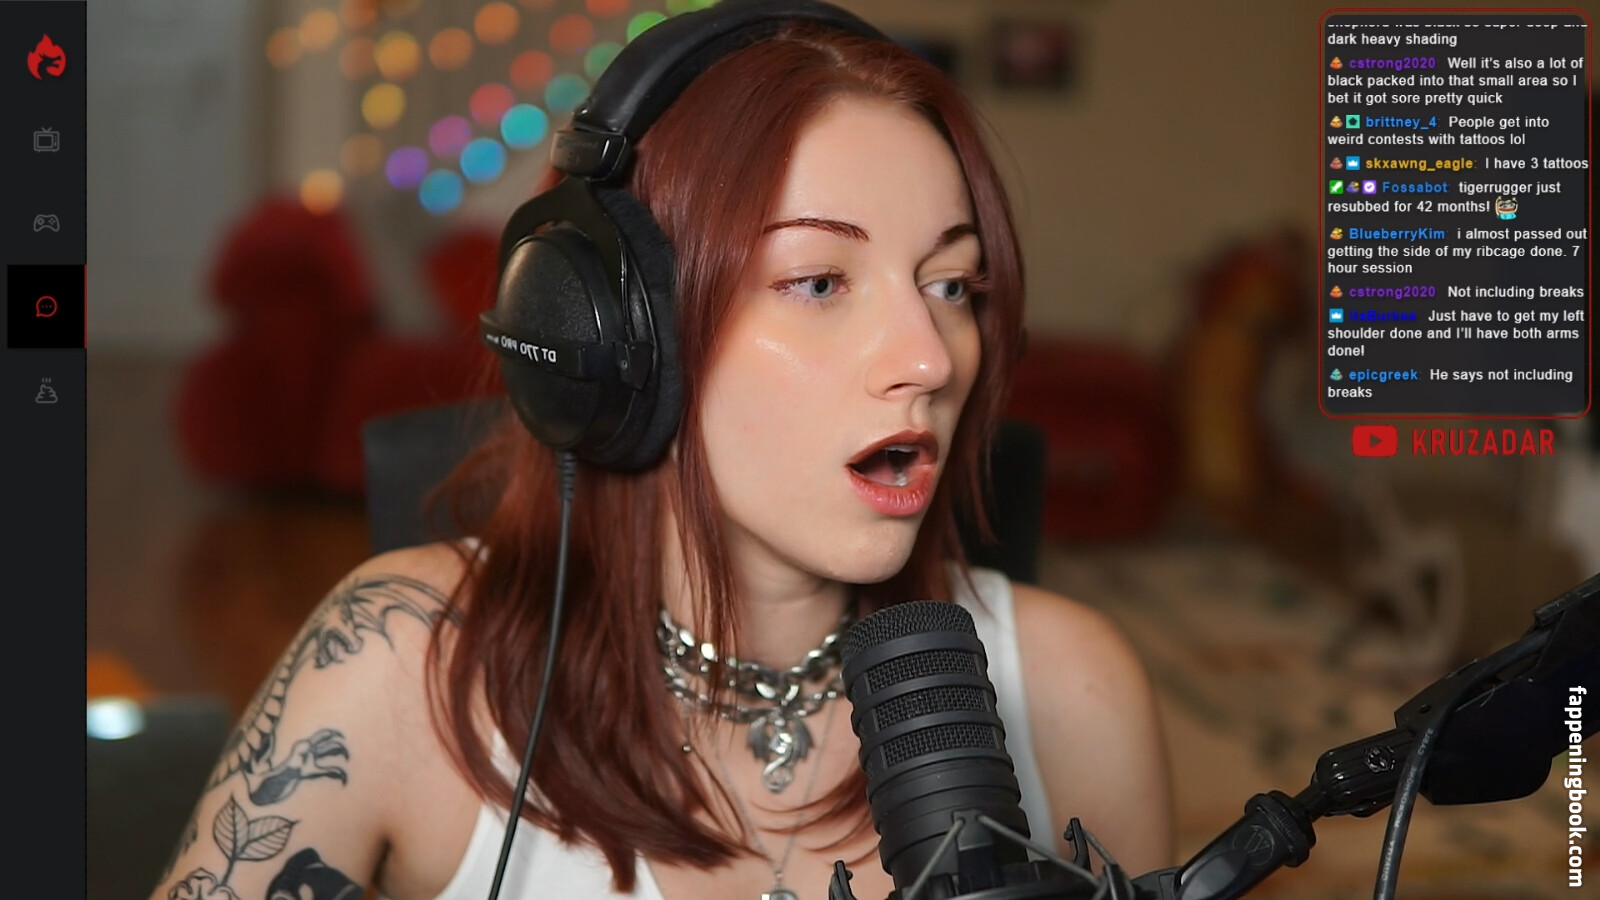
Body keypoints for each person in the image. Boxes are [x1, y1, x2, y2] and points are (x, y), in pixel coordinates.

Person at [153, 5, 1173, 899]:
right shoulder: (398, 666)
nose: (930, 358)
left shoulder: (1071, 692)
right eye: (819, 282)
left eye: (951, 286)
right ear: (615, 331)